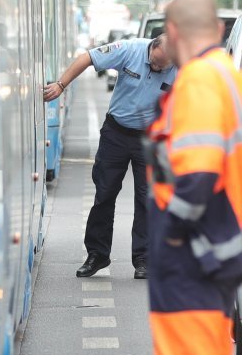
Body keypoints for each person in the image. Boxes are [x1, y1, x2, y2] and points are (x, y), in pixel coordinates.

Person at [146, 0, 242, 355]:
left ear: (172, 34)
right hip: (217, 249)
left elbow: (198, 174)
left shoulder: (200, 79)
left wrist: (170, 237)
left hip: (193, 256)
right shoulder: (226, 74)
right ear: (220, 31)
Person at [43, 34, 176, 279]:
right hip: (116, 133)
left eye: (162, 67)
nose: (157, 69)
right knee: (104, 194)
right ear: (152, 47)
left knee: (147, 198)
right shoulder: (128, 49)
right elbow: (88, 58)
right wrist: (61, 85)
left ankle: (144, 258)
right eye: (155, 63)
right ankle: (97, 255)